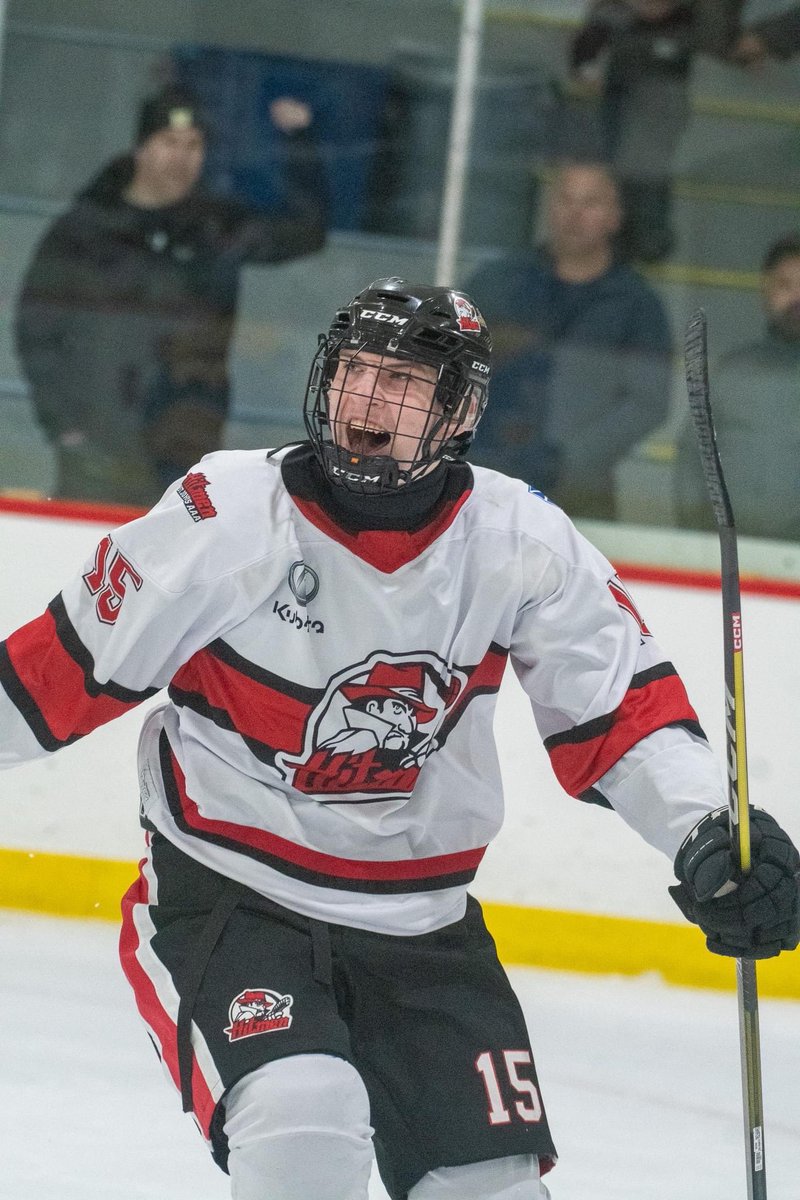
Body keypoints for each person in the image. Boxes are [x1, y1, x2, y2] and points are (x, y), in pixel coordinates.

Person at [1, 277, 798, 1200]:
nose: (367, 398)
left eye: (404, 382)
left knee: (492, 1189)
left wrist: (710, 834)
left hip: (425, 930)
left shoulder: (519, 540)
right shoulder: (225, 516)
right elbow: (49, 680)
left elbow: (625, 714)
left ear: (458, 414)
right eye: (356, 372)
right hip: (233, 901)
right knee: (305, 1117)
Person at [14, 84, 327, 508]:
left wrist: (297, 145)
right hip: (98, 443)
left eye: (194, 144)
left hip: (186, 441)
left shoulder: (217, 227)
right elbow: (36, 330)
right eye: (169, 141)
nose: (182, 155)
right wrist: (66, 426)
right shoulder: (86, 229)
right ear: (142, 149)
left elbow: (304, 233)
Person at [466, 161, 672, 519]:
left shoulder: (638, 303)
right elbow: (449, 363)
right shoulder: (496, 281)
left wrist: (571, 460)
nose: (574, 214)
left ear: (615, 217)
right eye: (565, 199)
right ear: (549, 207)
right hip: (481, 475)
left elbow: (647, 402)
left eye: (590, 203)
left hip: (579, 491)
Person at [568, 0, 717, 262]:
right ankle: (618, 244)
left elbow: (724, 43)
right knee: (621, 180)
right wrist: (586, 74)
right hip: (620, 118)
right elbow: (583, 51)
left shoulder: (690, 19)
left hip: (661, 123)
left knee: (649, 185)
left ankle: (646, 245)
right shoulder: (613, 15)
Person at [675, 235, 800, 539]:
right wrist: (699, 538)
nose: (797, 298)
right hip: (725, 558)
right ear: (765, 290)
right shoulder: (730, 372)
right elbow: (692, 455)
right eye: (785, 285)